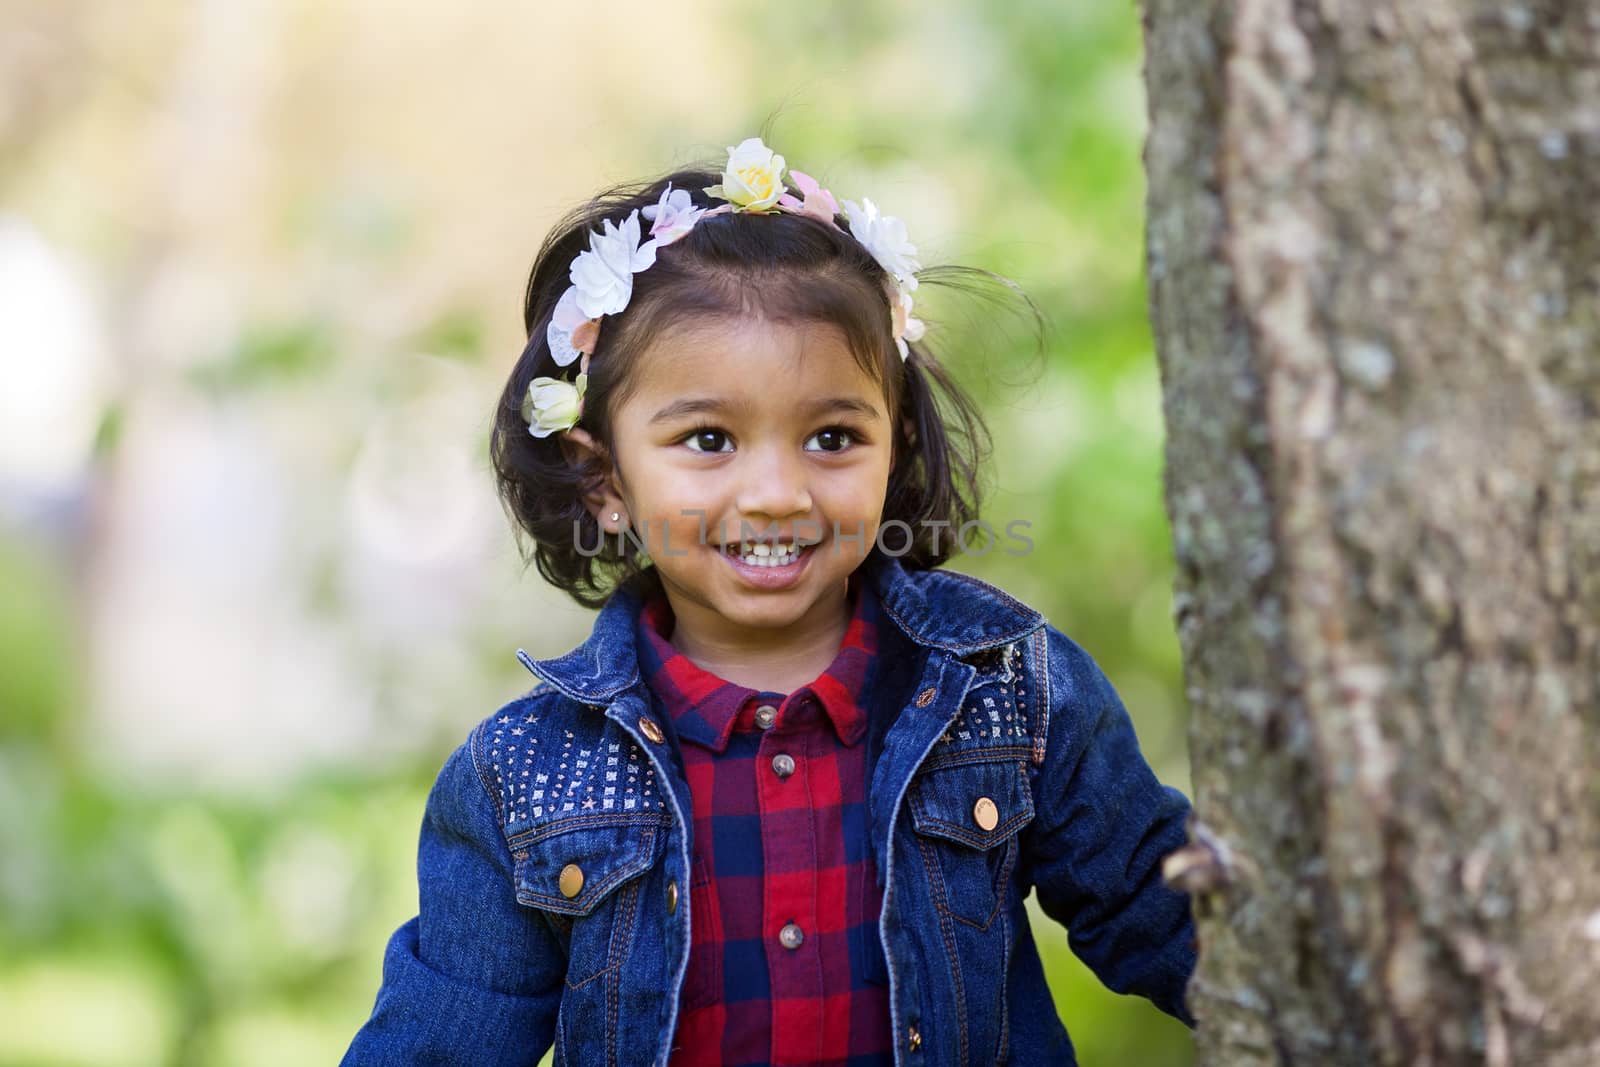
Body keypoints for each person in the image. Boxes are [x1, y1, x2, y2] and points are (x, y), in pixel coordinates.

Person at [343, 136, 1197, 1067]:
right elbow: (437, 1045)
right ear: (604, 481)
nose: (777, 493)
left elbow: (1177, 920)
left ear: (897, 446)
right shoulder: (528, 775)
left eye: (832, 436)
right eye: (709, 438)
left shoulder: (1007, 694)